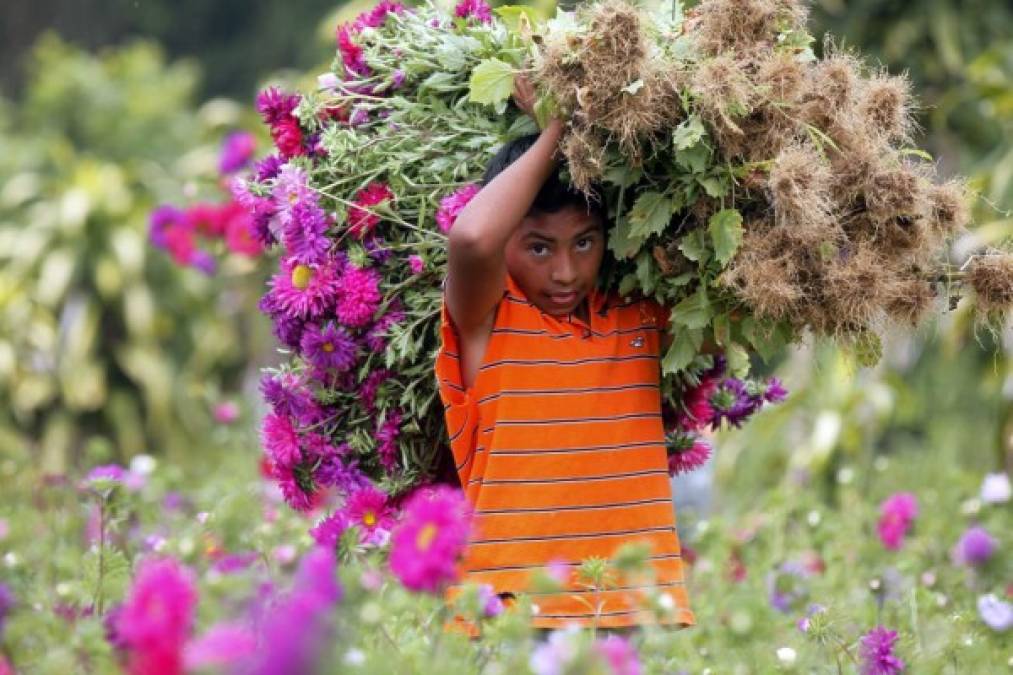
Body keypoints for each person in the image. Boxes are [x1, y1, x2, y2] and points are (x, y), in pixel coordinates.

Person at [435, 77, 695, 641]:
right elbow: (472, 241)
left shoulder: (637, 315)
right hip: (510, 619)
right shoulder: (489, 321)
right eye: (538, 246)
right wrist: (560, 127)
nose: (565, 272)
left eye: (585, 242)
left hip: (629, 615)